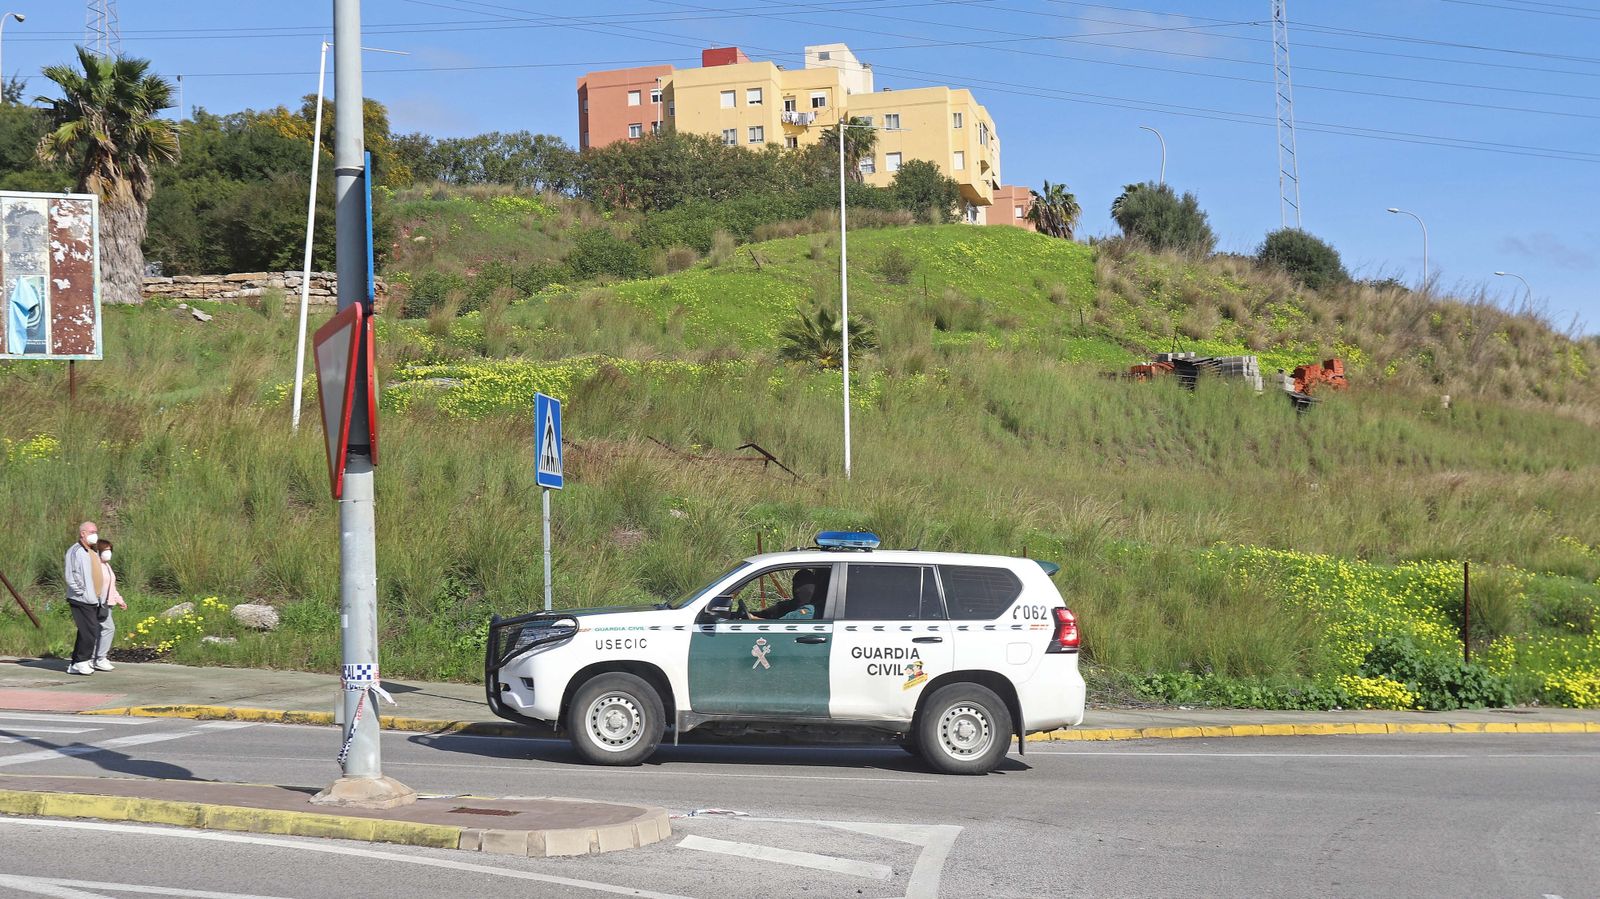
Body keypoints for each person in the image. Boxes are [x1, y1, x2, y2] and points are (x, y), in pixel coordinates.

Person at [63, 521, 103, 676]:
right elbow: (71, 575)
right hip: (81, 598)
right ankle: (81, 661)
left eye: (96, 531)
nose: (95, 534)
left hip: (93, 598)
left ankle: (75, 663)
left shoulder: (90, 551)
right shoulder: (75, 551)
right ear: (83, 533)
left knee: (85, 630)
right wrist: (82, 592)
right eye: (92, 531)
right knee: (90, 630)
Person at [91, 538, 126, 671]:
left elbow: (112, 587)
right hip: (98, 604)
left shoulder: (107, 566)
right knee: (108, 628)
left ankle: (94, 658)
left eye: (110, 550)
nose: (108, 553)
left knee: (99, 630)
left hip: (107, 604)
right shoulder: (96, 566)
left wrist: (119, 600)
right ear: (98, 551)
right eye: (105, 550)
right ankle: (100, 658)